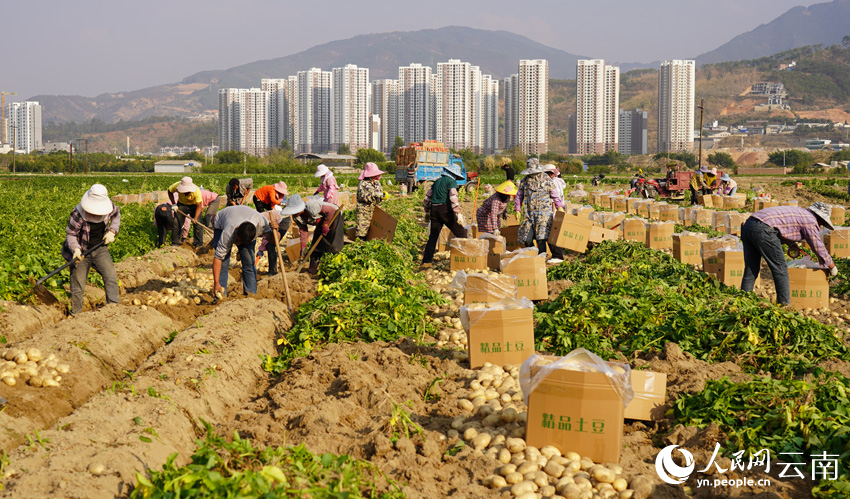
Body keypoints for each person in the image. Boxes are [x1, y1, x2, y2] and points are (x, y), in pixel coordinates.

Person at [741, 202, 838, 305]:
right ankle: (784, 305)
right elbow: (817, 246)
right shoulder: (810, 220)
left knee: (751, 267)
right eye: (821, 224)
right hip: (764, 229)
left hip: (749, 225)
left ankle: (743, 300)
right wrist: (831, 265)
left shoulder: (801, 212)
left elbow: (783, 226)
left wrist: (791, 243)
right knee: (780, 269)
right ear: (820, 218)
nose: (820, 226)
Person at [62, 184, 121, 315]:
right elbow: (71, 234)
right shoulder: (78, 213)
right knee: (78, 285)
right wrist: (76, 250)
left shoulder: (109, 206)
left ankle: (114, 310)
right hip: (81, 251)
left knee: (110, 277)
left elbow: (116, 215)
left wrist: (112, 231)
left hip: (100, 248)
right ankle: (76, 314)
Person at [211, 205, 273, 297]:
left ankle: (251, 294)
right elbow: (218, 258)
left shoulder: (262, 223)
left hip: (244, 220)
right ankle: (220, 292)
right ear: (237, 230)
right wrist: (216, 283)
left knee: (249, 263)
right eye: (238, 240)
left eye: (242, 242)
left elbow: (274, 240)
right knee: (224, 263)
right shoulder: (228, 232)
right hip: (221, 223)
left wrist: (276, 230)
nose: (238, 243)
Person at [515, 158, 564, 261]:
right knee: (527, 238)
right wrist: (517, 209)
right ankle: (531, 256)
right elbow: (519, 196)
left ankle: (541, 259)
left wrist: (559, 207)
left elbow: (555, 195)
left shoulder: (547, 180)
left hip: (544, 214)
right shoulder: (524, 181)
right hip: (529, 214)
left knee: (541, 238)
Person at [283, 194, 344, 275]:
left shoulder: (311, 207)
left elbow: (331, 210)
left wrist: (326, 224)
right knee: (316, 245)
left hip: (335, 215)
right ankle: (312, 271)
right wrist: (303, 246)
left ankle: (336, 270)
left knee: (334, 244)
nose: (294, 213)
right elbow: (303, 231)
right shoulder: (296, 218)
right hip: (323, 220)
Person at [421, 165, 468, 266]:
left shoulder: (437, 182)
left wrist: (427, 211)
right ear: (453, 174)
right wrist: (458, 213)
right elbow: (453, 197)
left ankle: (426, 261)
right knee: (461, 233)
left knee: (433, 237)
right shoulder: (451, 182)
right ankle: (465, 258)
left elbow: (427, 197)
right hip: (445, 210)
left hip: (434, 209)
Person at [168, 177, 203, 247]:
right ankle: (175, 243)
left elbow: (199, 206)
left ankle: (198, 244)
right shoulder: (176, 186)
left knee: (198, 224)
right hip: (181, 204)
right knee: (176, 222)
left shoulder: (196, 191)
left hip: (194, 206)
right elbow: (169, 191)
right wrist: (174, 204)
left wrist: (195, 218)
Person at [257, 208, 293, 276]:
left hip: (283, 220)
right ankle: (272, 271)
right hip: (277, 220)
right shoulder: (255, 221)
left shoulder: (259, 223)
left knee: (271, 245)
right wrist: (261, 249)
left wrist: (261, 249)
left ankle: (273, 272)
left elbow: (267, 236)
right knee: (269, 245)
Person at [355, 162, 386, 240]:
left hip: (375, 210)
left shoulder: (377, 183)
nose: (375, 176)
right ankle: (361, 245)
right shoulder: (363, 184)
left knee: (375, 230)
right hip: (364, 211)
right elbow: (362, 197)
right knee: (362, 231)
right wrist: (374, 195)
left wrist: (382, 197)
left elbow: (380, 195)